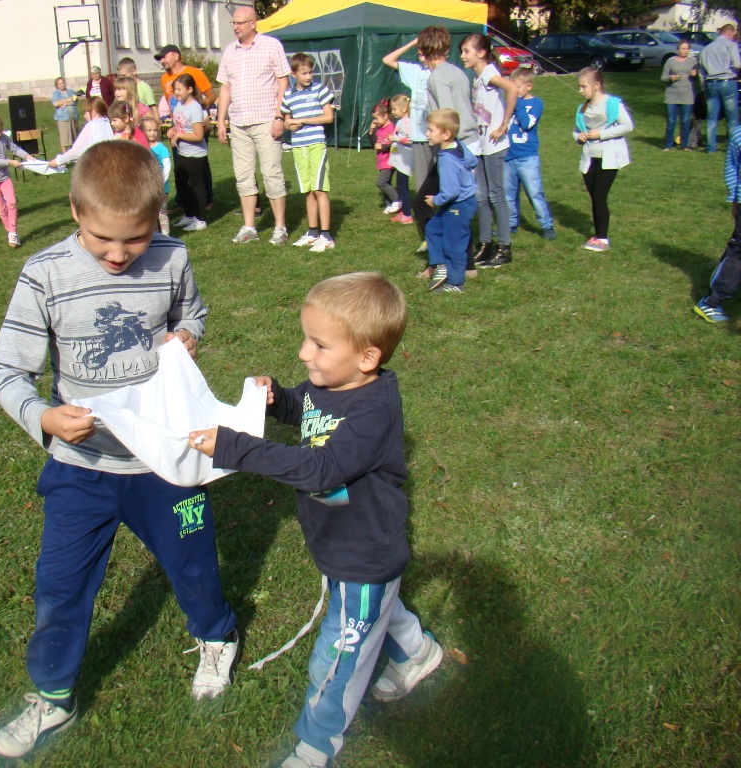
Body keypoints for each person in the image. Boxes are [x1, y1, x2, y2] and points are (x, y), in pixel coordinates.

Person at [0, 141, 239, 759]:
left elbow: (193, 313)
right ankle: (52, 695)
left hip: (165, 462)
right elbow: (5, 371)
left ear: (158, 216)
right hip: (81, 468)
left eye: (136, 239)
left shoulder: (172, 256)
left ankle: (217, 636)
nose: (120, 255)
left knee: (195, 562)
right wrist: (43, 418)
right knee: (60, 584)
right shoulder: (45, 274)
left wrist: (187, 334)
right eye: (103, 239)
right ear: (75, 210)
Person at [187, 272, 442, 768]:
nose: (304, 353)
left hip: (365, 552)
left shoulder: (373, 411)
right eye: (307, 339)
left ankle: (314, 748)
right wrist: (278, 399)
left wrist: (238, 448)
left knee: (337, 656)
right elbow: (307, 409)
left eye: (319, 345)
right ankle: (417, 652)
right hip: (338, 542)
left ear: (367, 358)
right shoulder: (334, 384)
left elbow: (322, 468)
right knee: (370, 610)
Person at [216, 5, 292, 245]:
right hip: (239, 123)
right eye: (233, 23)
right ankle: (249, 227)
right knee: (243, 176)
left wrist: (279, 116)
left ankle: (280, 227)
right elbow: (225, 87)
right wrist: (221, 120)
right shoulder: (230, 51)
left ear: (253, 23)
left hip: (266, 121)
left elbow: (283, 82)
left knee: (272, 173)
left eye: (240, 22)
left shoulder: (271, 45)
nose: (236, 27)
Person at [415, 26, 477, 277]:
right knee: (456, 205)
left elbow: (448, 116)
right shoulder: (457, 71)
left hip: (454, 147)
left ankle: (438, 262)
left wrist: (443, 145)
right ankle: (467, 265)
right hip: (465, 144)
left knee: (422, 203)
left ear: (423, 49)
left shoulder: (438, 77)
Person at [461, 32, 517, 270]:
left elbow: (512, 89)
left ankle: (504, 247)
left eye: (467, 51)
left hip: (495, 144)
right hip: (482, 144)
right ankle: (485, 243)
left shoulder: (489, 73)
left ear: (481, 53)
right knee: (481, 196)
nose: (462, 56)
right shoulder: (477, 77)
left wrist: (504, 125)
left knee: (495, 195)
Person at [574, 67, 633, 252]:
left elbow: (628, 126)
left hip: (608, 159)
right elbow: (576, 130)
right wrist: (579, 137)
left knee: (600, 196)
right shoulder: (582, 108)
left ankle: (603, 239)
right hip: (589, 158)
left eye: (584, 86)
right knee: (594, 198)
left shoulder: (612, 104)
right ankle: (598, 235)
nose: (580, 91)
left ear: (597, 85)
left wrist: (601, 134)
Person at [281, 52, 335, 252]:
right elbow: (286, 120)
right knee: (308, 190)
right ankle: (313, 233)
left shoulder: (320, 89)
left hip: (316, 144)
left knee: (320, 189)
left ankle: (326, 236)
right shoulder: (288, 95)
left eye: (310, 72)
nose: (308, 76)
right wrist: (290, 124)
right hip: (298, 146)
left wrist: (303, 120)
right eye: (304, 73)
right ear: (294, 74)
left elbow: (328, 117)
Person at [155, 44, 216, 212]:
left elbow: (211, 96)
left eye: (165, 57)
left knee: (199, 163)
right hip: (178, 125)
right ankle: (183, 203)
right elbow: (171, 103)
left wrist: (198, 114)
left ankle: (207, 199)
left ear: (176, 56)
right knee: (180, 165)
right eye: (160, 59)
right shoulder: (164, 78)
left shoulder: (194, 73)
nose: (162, 61)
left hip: (194, 124)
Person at [424, 108, 478, 294]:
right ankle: (441, 266)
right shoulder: (458, 146)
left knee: (454, 244)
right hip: (462, 202)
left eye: (431, 130)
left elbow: (451, 192)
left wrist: (435, 201)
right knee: (433, 228)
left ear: (446, 134)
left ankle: (456, 283)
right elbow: (472, 161)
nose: (427, 133)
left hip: (458, 205)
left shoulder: (446, 160)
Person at [383, 37, 432, 228]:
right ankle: (415, 217)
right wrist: (412, 43)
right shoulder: (416, 71)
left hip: (433, 136)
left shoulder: (440, 73)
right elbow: (387, 60)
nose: (421, 56)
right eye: (419, 52)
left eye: (424, 52)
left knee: (431, 183)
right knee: (418, 184)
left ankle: (427, 220)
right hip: (420, 139)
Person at [694, 125, 741, 322]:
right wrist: (735, 198)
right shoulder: (739, 134)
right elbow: (732, 168)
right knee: (738, 252)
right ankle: (711, 302)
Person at [504, 68, 555, 241]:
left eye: (518, 87)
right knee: (509, 194)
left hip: (527, 156)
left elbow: (526, 124)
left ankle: (546, 225)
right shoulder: (508, 103)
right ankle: (511, 224)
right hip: (508, 156)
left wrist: (516, 101)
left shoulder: (536, 104)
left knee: (534, 192)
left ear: (529, 86)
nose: (514, 91)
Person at [0, 112, 33, 247]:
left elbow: (14, 148)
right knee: (2, 208)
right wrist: (9, 162)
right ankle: (11, 232)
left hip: (4, 178)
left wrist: (27, 156)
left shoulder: (3, 138)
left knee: (12, 202)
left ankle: (13, 232)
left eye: (0, 131)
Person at [169, 74, 209, 232]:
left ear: (190, 89)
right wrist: (173, 130)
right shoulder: (179, 105)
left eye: (179, 89)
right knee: (181, 184)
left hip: (195, 154)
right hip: (183, 152)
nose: (176, 92)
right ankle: (189, 215)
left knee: (196, 185)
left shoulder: (195, 108)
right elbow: (180, 125)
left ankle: (201, 220)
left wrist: (179, 135)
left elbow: (198, 135)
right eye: (174, 89)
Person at [698, 24, 740, 153]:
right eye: (733, 35)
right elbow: (737, 64)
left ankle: (710, 147)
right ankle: (732, 148)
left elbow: (701, 72)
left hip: (711, 83)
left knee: (711, 118)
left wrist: (704, 89)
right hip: (727, 81)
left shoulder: (706, 49)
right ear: (729, 33)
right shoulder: (731, 45)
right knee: (732, 118)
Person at [48, 97, 114, 169]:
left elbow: (76, 151)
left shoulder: (91, 126)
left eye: (85, 113)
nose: (84, 116)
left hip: (96, 168)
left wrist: (58, 161)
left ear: (93, 112)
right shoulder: (108, 124)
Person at [661, 41, 698, 151]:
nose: (685, 51)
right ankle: (668, 145)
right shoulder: (670, 61)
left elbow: (698, 77)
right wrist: (670, 78)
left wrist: (695, 74)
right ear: (678, 49)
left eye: (687, 49)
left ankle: (684, 145)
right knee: (671, 121)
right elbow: (663, 77)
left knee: (685, 121)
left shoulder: (693, 61)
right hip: (672, 95)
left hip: (687, 95)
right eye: (683, 49)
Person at [141, 114, 172, 234]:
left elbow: (167, 166)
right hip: (148, 187)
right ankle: (154, 235)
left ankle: (166, 235)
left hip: (161, 188)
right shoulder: (143, 147)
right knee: (150, 213)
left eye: (155, 130)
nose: (152, 133)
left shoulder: (161, 148)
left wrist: (160, 182)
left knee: (162, 213)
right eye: (149, 130)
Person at [388, 94, 415, 225]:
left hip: (405, 161)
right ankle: (404, 211)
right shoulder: (400, 122)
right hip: (399, 160)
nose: (393, 112)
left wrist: (395, 138)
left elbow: (409, 139)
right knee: (400, 185)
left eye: (394, 109)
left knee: (403, 187)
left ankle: (407, 214)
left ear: (404, 109)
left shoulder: (408, 123)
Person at [370, 101, 400, 214]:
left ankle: (397, 199)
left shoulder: (391, 128)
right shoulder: (380, 129)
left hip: (389, 161)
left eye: (376, 118)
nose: (375, 121)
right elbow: (374, 144)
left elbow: (395, 145)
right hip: (382, 161)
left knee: (381, 182)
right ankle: (389, 204)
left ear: (386, 116)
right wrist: (371, 131)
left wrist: (382, 147)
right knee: (387, 183)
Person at [52, 77, 79, 155]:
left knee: (74, 136)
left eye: (63, 83)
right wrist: (67, 100)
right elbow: (56, 103)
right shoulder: (56, 93)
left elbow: (75, 101)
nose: (62, 85)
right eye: (59, 84)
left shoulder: (70, 91)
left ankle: (73, 154)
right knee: (64, 138)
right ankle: (65, 156)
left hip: (73, 117)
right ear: (57, 86)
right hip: (63, 119)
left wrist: (65, 103)